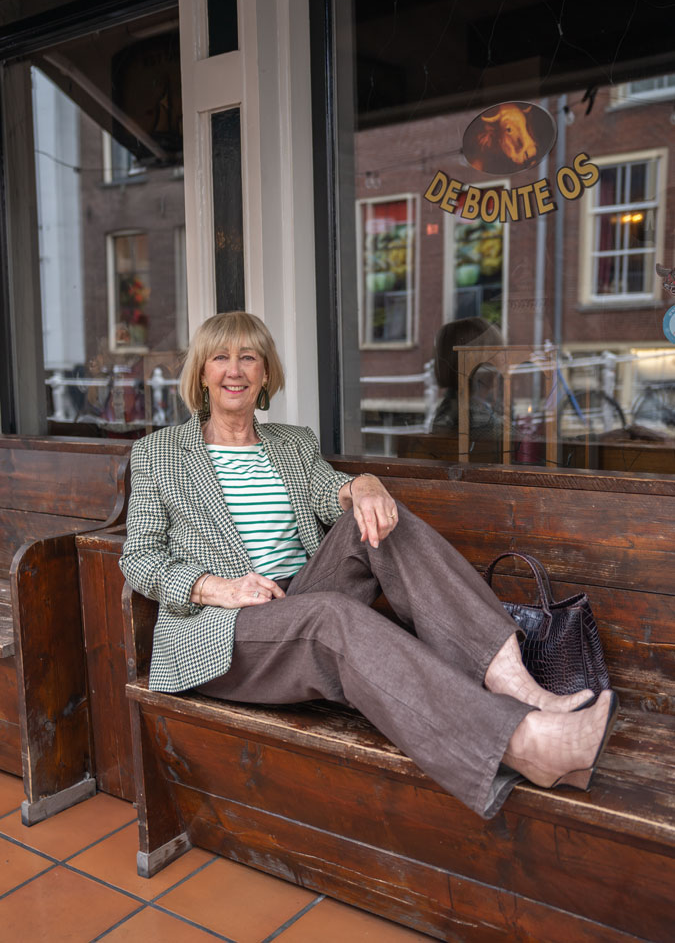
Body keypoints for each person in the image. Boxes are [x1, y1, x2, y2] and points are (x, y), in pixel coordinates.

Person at [120, 311, 618, 819]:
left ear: (265, 373)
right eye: (220, 357)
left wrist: (364, 486)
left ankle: (517, 684)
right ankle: (527, 744)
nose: (235, 370)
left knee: (382, 524)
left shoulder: (291, 444)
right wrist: (219, 589)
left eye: (248, 357)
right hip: (226, 633)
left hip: (299, 598)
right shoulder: (159, 454)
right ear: (201, 372)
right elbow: (138, 558)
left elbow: (325, 488)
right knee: (330, 616)